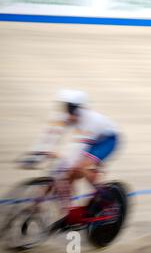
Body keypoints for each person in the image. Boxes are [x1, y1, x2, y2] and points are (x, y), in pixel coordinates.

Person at [21, 89, 120, 224]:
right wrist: (37, 153)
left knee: (77, 166)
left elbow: (78, 148)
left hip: (107, 140)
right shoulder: (66, 115)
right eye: (67, 109)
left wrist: (63, 161)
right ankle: (67, 211)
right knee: (66, 173)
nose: (67, 113)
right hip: (89, 139)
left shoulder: (90, 121)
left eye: (71, 109)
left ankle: (106, 201)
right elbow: (50, 135)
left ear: (79, 110)